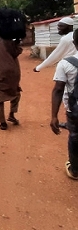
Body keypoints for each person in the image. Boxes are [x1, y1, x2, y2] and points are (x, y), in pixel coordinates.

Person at [51, 29, 78, 180]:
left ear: (74, 43)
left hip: (74, 111)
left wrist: (54, 116)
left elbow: (58, 90)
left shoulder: (65, 64)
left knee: (75, 136)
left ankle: (75, 170)